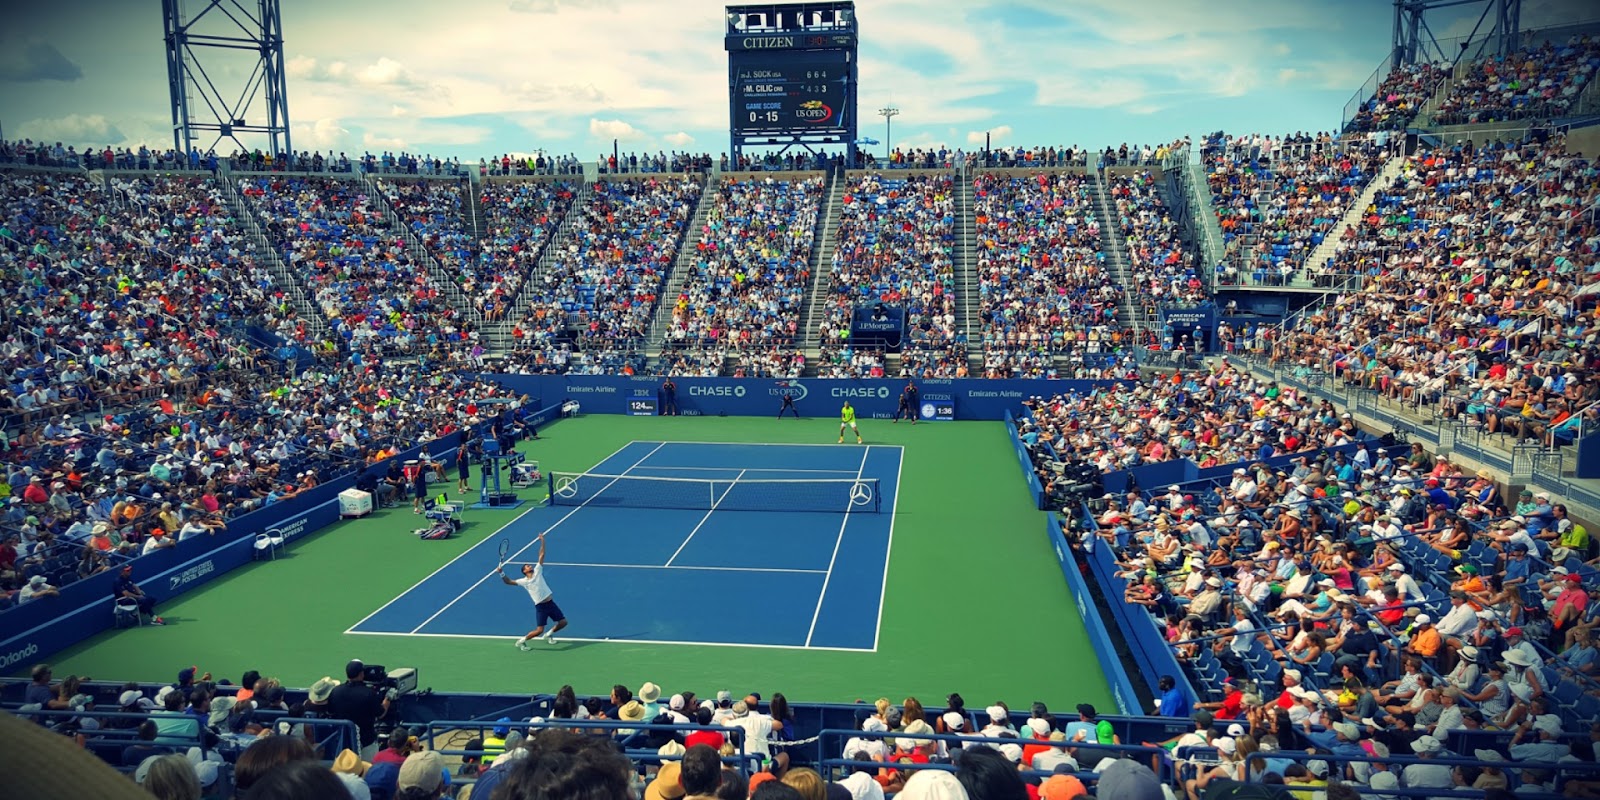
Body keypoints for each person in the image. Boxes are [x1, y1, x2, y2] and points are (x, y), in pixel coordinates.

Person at [502, 534, 568, 649]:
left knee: (563, 623)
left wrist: (542, 541)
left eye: (529, 565)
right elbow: (508, 582)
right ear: (524, 571)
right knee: (539, 631)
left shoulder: (538, 570)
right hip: (541, 607)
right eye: (527, 566)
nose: (530, 566)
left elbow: (541, 555)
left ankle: (549, 635)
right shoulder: (523, 581)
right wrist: (501, 573)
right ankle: (521, 641)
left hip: (551, 603)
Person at [326, 659, 392, 759]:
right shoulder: (368, 693)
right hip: (366, 742)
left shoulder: (336, 691)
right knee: (367, 769)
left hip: (342, 742)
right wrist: (388, 698)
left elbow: (330, 712)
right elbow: (381, 713)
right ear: (361, 674)